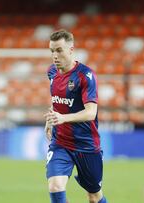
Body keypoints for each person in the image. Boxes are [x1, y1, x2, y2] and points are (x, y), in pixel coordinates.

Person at [44, 29, 108, 203]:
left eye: (59, 50)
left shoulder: (85, 76)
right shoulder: (51, 72)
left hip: (86, 145)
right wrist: (51, 120)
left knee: (94, 196)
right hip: (60, 142)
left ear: (71, 50)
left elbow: (90, 113)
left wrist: (63, 118)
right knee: (55, 186)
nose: (54, 56)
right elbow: (58, 100)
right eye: (52, 51)